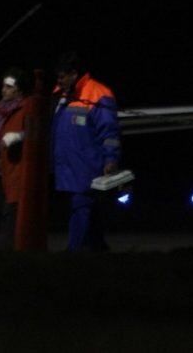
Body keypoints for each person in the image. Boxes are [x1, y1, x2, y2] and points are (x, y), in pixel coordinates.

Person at [52, 52, 120, 252]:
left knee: (81, 205)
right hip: (68, 165)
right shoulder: (63, 95)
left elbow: (109, 131)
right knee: (88, 208)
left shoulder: (98, 93)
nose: (59, 81)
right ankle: (98, 248)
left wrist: (111, 159)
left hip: (89, 165)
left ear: (74, 74)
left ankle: (74, 250)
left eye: (62, 76)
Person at [0, 68, 49, 251]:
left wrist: (19, 136)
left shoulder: (27, 106)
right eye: (3, 86)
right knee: (3, 207)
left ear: (19, 89)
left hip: (15, 166)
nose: (4, 89)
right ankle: (8, 244)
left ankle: (7, 246)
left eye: (9, 86)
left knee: (12, 208)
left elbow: (37, 132)